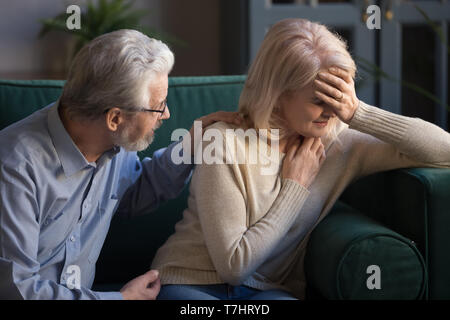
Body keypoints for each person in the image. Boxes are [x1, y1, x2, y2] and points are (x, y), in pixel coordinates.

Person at [151, 18, 450, 300]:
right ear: (279, 94)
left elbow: (445, 150)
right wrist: (294, 187)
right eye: (320, 100)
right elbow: (234, 267)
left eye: (340, 97)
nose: (332, 111)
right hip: (193, 282)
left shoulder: (341, 143)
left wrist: (359, 113)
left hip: (269, 290)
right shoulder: (225, 142)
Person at [0, 29, 241, 300]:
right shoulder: (14, 168)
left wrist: (191, 144)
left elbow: (137, 190)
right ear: (115, 118)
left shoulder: (115, 142)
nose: (167, 114)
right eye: (158, 106)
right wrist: (121, 300)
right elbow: (15, 289)